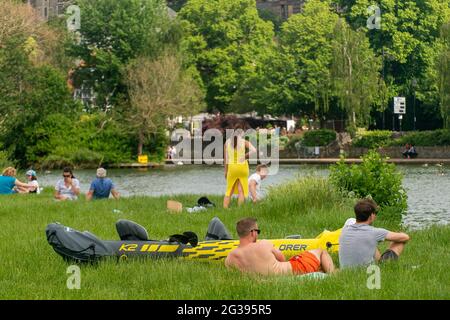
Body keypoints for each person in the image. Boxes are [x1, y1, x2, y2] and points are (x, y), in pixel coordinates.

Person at [225, 217, 335, 276]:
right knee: (320, 251)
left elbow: (236, 275)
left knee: (317, 264)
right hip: (294, 270)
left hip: (272, 277)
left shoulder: (230, 258)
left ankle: (324, 269)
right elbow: (282, 258)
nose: (257, 234)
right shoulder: (263, 244)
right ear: (253, 232)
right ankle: (333, 275)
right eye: (258, 231)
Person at [339, 199, 410, 269]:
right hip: (369, 272)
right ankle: (386, 267)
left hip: (346, 271)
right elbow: (405, 237)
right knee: (400, 242)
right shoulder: (375, 232)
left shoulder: (345, 230)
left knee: (371, 244)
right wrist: (393, 239)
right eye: (375, 213)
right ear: (371, 216)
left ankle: (380, 262)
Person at [223, 123, 257, 208]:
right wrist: (245, 156)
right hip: (242, 168)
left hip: (232, 168)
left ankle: (225, 208)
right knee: (241, 189)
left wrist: (226, 171)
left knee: (229, 189)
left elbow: (226, 159)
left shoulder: (227, 142)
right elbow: (254, 150)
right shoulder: (244, 142)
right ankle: (239, 208)